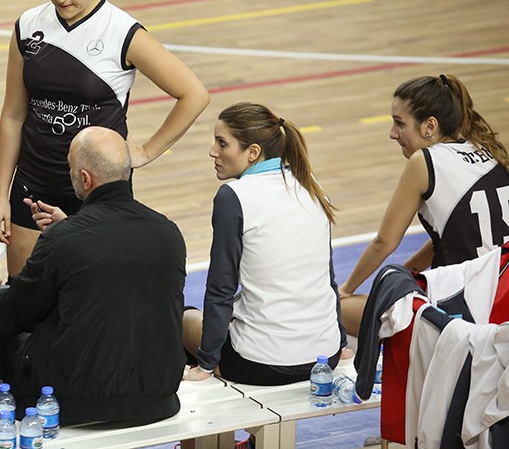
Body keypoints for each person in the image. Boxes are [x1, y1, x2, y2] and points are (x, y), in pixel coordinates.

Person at [0, 0, 210, 278]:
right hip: (34, 185)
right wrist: (1, 195)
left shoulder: (122, 32)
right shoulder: (28, 26)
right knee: (24, 294)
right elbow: (13, 115)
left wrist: (147, 151)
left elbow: (194, 94)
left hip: (100, 193)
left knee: (92, 294)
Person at [0, 127, 186, 424]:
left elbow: (15, 314)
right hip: (160, 399)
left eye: (70, 167)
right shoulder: (169, 232)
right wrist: (68, 229)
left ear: (84, 178)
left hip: (72, 402)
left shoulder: (66, 239)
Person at [181, 103, 344, 387]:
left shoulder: (233, 196)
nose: (213, 151)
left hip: (260, 364)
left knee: (182, 318)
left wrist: (206, 365)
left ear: (253, 152)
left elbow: (221, 288)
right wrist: (340, 343)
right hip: (326, 356)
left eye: (222, 143)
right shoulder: (311, 184)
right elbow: (328, 279)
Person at [339, 74, 509, 336]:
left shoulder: (425, 161)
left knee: (336, 309)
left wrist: (346, 288)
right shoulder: (486, 150)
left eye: (399, 123)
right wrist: (408, 271)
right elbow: (454, 233)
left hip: (466, 312)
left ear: (429, 125)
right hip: (502, 297)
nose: (392, 133)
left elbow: (384, 242)